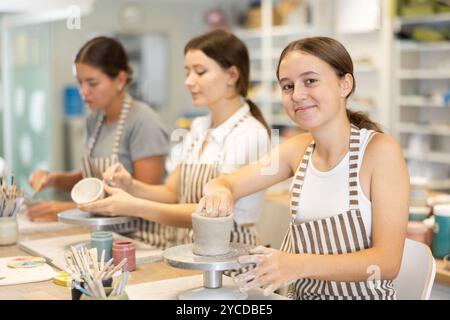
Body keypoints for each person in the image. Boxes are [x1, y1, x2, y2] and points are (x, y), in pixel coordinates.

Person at [195, 37, 410, 300]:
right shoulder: (296, 150)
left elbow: (387, 262)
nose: (297, 95)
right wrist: (220, 190)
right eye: (287, 86)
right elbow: (228, 183)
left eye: (310, 81)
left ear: (345, 84)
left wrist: (295, 265)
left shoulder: (380, 152)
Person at [79, 29, 271, 250]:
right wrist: (130, 185)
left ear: (232, 75)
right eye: (187, 72)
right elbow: (171, 193)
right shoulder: (199, 127)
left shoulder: (249, 134)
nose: (189, 81)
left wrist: (134, 206)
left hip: (230, 260)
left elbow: (212, 215)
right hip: (192, 252)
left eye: (200, 72)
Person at [28, 36, 169, 223]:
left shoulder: (144, 122)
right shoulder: (96, 119)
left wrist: (70, 209)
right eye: (80, 82)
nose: (83, 91)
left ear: (120, 79)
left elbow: (146, 199)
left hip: (140, 236)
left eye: (92, 83)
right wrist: (55, 180)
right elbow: (94, 178)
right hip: (104, 231)